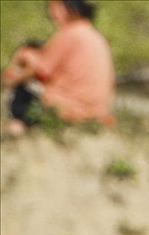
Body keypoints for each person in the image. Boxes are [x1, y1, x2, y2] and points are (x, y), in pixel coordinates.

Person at [3, 0, 114, 137]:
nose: (51, 12)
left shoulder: (69, 33)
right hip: (98, 112)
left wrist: (13, 73)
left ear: (71, 7)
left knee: (23, 90)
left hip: (68, 108)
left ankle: (15, 132)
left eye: (55, 6)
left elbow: (39, 72)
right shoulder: (94, 35)